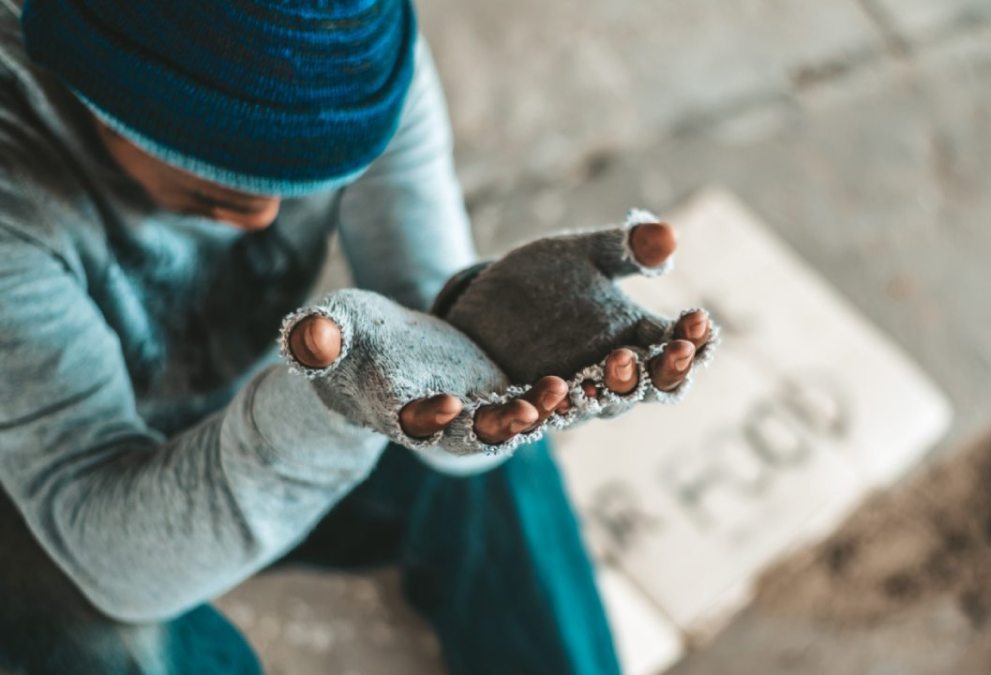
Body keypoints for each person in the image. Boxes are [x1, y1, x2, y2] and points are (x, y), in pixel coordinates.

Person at [0, 0, 712, 673]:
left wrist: (481, 343)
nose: (263, 219)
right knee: (112, 645)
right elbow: (113, 552)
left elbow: (437, 359)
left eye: (305, 181)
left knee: (504, 397)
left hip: (221, 400)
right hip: (34, 480)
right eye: (213, 191)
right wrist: (331, 403)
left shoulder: (365, 64)